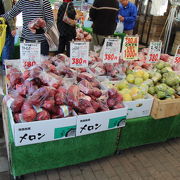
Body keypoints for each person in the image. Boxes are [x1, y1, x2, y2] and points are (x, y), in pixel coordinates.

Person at [0, 0, 16, 67]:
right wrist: (12, 27)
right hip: (5, 26)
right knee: (7, 47)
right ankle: (6, 69)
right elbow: (9, 13)